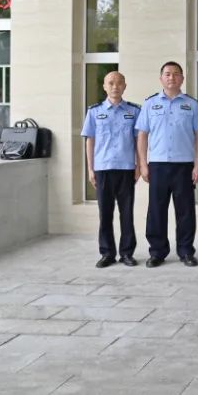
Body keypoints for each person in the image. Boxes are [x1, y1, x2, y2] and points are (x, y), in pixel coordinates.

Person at [136, 61, 198, 268]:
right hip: (158, 165)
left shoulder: (192, 105)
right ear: (161, 78)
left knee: (185, 211)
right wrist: (143, 164)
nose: (171, 77)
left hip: (184, 165)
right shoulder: (150, 104)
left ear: (182, 78)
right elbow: (142, 135)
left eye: (175, 74)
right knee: (156, 211)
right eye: (167, 74)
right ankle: (157, 252)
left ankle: (186, 251)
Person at [81, 71, 141, 268]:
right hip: (103, 168)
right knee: (105, 214)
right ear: (104, 86)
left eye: (119, 83)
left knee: (127, 213)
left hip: (126, 168)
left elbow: (138, 141)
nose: (115, 86)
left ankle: (127, 253)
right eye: (111, 83)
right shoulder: (94, 111)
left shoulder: (134, 111)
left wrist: (139, 165)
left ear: (125, 86)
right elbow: (90, 141)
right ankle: (107, 253)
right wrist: (90, 168)